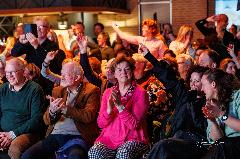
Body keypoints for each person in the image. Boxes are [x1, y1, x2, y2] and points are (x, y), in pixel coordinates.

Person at [138, 44, 209, 159]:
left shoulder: (209, 101)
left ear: (205, 82)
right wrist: (148, 55)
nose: (193, 84)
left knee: (163, 146)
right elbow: (168, 78)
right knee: (162, 146)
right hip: (176, 137)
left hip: (197, 141)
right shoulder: (184, 94)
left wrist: (193, 102)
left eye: (197, 81)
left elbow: (201, 125)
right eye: (191, 80)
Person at [22, 60, 100, 159]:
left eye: (65, 75)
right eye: (61, 74)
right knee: (27, 156)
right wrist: (52, 111)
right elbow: (46, 120)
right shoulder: (57, 90)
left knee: (75, 156)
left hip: (78, 136)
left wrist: (65, 109)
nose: (61, 77)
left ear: (77, 77)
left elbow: (88, 116)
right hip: (55, 135)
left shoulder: (92, 90)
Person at [88, 55, 149, 159]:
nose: (123, 73)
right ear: (114, 73)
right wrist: (109, 110)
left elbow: (133, 125)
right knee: (94, 152)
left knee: (123, 153)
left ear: (132, 71)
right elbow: (101, 124)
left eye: (127, 69)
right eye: (119, 70)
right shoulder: (108, 92)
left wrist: (120, 106)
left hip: (133, 138)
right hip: (110, 139)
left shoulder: (141, 93)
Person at [0, 58, 45, 159]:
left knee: (15, 148)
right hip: (3, 132)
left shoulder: (35, 89)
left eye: (12, 72)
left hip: (26, 133)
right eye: (7, 72)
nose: (9, 75)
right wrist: (2, 135)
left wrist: (13, 134)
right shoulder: (3, 89)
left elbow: (36, 120)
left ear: (23, 72)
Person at [11, 16, 65, 94]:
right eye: (36, 26)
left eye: (41, 26)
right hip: (29, 83)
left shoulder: (53, 46)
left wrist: (37, 46)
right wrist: (20, 42)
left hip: (45, 84)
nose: (38, 29)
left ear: (48, 29)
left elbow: (48, 63)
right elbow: (14, 53)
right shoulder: (29, 44)